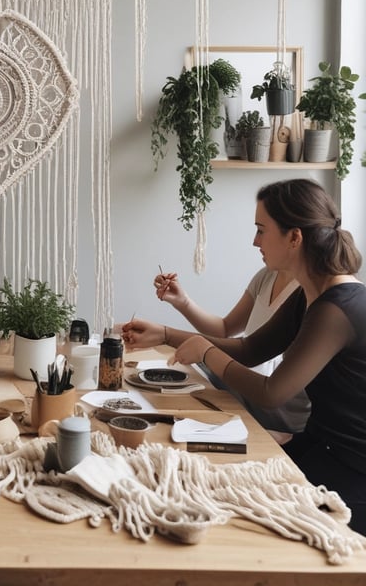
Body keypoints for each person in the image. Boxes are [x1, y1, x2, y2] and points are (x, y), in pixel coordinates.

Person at [123, 179, 366, 534]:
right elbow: (250, 350)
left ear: (294, 237)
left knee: (245, 520)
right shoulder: (310, 296)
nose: (255, 241)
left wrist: (205, 352)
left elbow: (272, 392)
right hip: (321, 445)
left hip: (352, 467)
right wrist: (165, 334)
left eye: (261, 230)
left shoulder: (337, 307)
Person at [152, 266, 310, 435]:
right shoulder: (266, 276)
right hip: (242, 384)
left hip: (269, 404)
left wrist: (166, 335)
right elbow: (225, 330)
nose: (255, 242)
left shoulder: (308, 292)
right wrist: (182, 301)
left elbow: (266, 385)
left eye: (261, 236)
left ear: (294, 239)